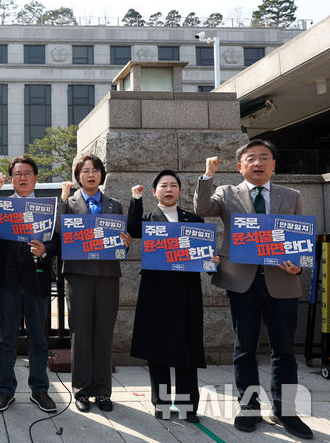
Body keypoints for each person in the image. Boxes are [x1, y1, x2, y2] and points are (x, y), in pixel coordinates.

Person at [194, 139, 313, 440]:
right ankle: (249, 407)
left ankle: (286, 410)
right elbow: (202, 208)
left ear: (274, 164)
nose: (258, 163)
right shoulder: (226, 193)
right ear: (240, 166)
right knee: (244, 348)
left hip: (282, 281)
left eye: (264, 157)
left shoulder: (292, 196)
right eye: (251, 158)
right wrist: (208, 175)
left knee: (284, 350)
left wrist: (299, 267)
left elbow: (301, 239)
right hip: (241, 281)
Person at [127, 170, 219, 423]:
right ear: (154, 192)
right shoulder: (148, 219)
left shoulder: (193, 220)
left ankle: (189, 406)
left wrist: (212, 262)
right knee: (158, 348)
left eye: (173, 185)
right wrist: (135, 199)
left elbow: (204, 254)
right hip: (156, 292)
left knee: (188, 347)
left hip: (187, 291)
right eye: (163, 186)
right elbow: (132, 229)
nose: (168, 189)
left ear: (179, 190)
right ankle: (162, 403)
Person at [57, 154, 131, 413]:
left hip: (107, 276)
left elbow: (119, 242)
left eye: (96, 170)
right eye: (85, 170)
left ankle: (102, 391)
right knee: (80, 333)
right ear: (78, 176)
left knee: (103, 333)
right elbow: (58, 231)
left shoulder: (114, 205)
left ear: (102, 174)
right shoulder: (69, 203)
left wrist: (125, 243)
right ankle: (81, 390)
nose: (91, 174)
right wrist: (63, 200)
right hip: (78, 275)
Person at [0, 155, 59, 413]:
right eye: (17, 174)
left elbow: (59, 241)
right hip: (7, 279)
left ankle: (39, 390)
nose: (22, 178)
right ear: (11, 179)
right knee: (6, 338)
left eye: (27, 173)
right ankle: (5, 390)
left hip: (37, 279)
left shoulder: (47, 207)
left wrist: (45, 250)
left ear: (36, 178)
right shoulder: (1, 206)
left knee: (38, 338)